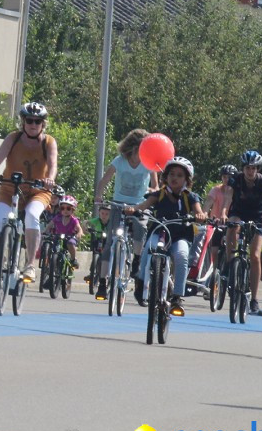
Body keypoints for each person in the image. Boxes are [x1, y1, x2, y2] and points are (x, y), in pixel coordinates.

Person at [0, 102, 58, 283]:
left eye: (37, 121)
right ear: (23, 122)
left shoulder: (49, 142)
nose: (33, 124)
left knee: (31, 215)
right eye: (29, 120)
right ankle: (1, 262)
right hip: (10, 189)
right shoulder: (13, 138)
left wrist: (50, 179)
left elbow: (53, 165)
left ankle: (30, 265)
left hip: (38, 192)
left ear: (43, 124)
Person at [125, 157, 207, 316]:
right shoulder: (158, 194)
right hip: (159, 232)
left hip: (180, 236)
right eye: (171, 174)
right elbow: (142, 206)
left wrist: (201, 216)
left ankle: (177, 297)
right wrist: (132, 209)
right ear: (166, 177)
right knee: (148, 249)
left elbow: (199, 212)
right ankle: (141, 283)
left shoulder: (190, 197)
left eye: (179, 175)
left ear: (187, 179)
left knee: (182, 255)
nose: (175, 178)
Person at [94, 129, 159, 299]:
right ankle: (102, 282)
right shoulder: (119, 161)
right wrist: (99, 196)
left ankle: (136, 259)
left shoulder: (148, 163)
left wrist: (151, 192)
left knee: (140, 227)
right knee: (110, 241)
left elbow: (156, 187)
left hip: (139, 204)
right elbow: (104, 180)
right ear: (134, 146)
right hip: (118, 204)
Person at [222, 150, 262, 315]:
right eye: (247, 168)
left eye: (253, 168)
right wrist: (223, 213)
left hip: (258, 217)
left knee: (255, 255)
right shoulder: (235, 179)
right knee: (232, 226)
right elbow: (228, 198)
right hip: (238, 213)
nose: (250, 171)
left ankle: (254, 299)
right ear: (242, 168)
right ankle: (230, 264)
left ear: (258, 169)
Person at [201, 164, 237, 295]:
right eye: (224, 177)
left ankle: (230, 273)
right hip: (216, 224)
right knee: (214, 251)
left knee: (232, 252)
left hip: (231, 225)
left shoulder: (236, 191)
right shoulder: (215, 190)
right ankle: (214, 276)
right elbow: (208, 204)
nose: (226, 180)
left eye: (229, 177)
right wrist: (204, 214)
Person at [46, 194, 83, 270]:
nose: (65, 210)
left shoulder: (74, 220)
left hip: (69, 237)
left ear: (73, 209)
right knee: (51, 246)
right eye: (62, 208)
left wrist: (79, 234)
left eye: (68, 208)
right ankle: (50, 269)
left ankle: (73, 259)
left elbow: (79, 229)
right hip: (58, 236)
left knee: (70, 243)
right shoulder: (57, 218)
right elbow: (49, 225)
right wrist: (44, 232)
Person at [87, 203, 111, 298]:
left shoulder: (111, 222)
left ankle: (106, 277)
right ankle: (92, 272)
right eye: (102, 213)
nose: (104, 216)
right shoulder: (96, 220)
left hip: (107, 241)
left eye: (106, 214)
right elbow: (86, 222)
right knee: (95, 253)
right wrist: (85, 227)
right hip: (98, 239)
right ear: (99, 213)